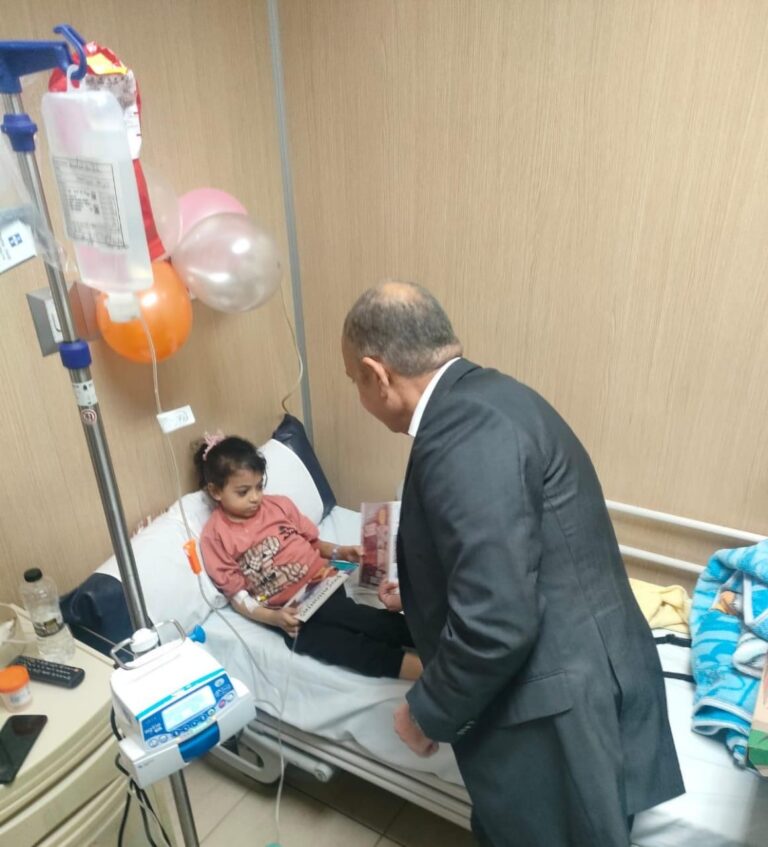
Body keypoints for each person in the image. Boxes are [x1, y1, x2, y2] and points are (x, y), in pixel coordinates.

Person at [342, 281, 685, 846]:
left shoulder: (461, 432)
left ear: (376, 374)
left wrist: (426, 710)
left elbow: (498, 620)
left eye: (354, 381)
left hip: (553, 707)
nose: (361, 396)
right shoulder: (492, 398)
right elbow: (511, 551)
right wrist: (425, 594)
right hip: (582, 668)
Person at [194, 433, 422, 680]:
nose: (255, 497)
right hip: (285, 610)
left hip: (321, 584)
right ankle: (412, 666)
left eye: (259, 486)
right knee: (312, 641)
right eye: (243, 492)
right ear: (215, 491)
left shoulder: (278, 506)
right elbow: (238, 596)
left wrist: (342, 551)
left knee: (356, 618)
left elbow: (313, 542)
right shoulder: (215, 536)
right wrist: (273, 618)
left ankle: (429, 638)